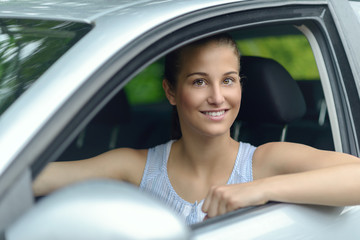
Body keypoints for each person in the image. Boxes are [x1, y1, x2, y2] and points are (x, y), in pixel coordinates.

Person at [33, 33, 360, 225]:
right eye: (199, 81)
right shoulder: (134, 166)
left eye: (228, 80)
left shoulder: (265, 162)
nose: (218, 97)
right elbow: (27, 178)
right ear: (171, 91)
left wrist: (259, 190)